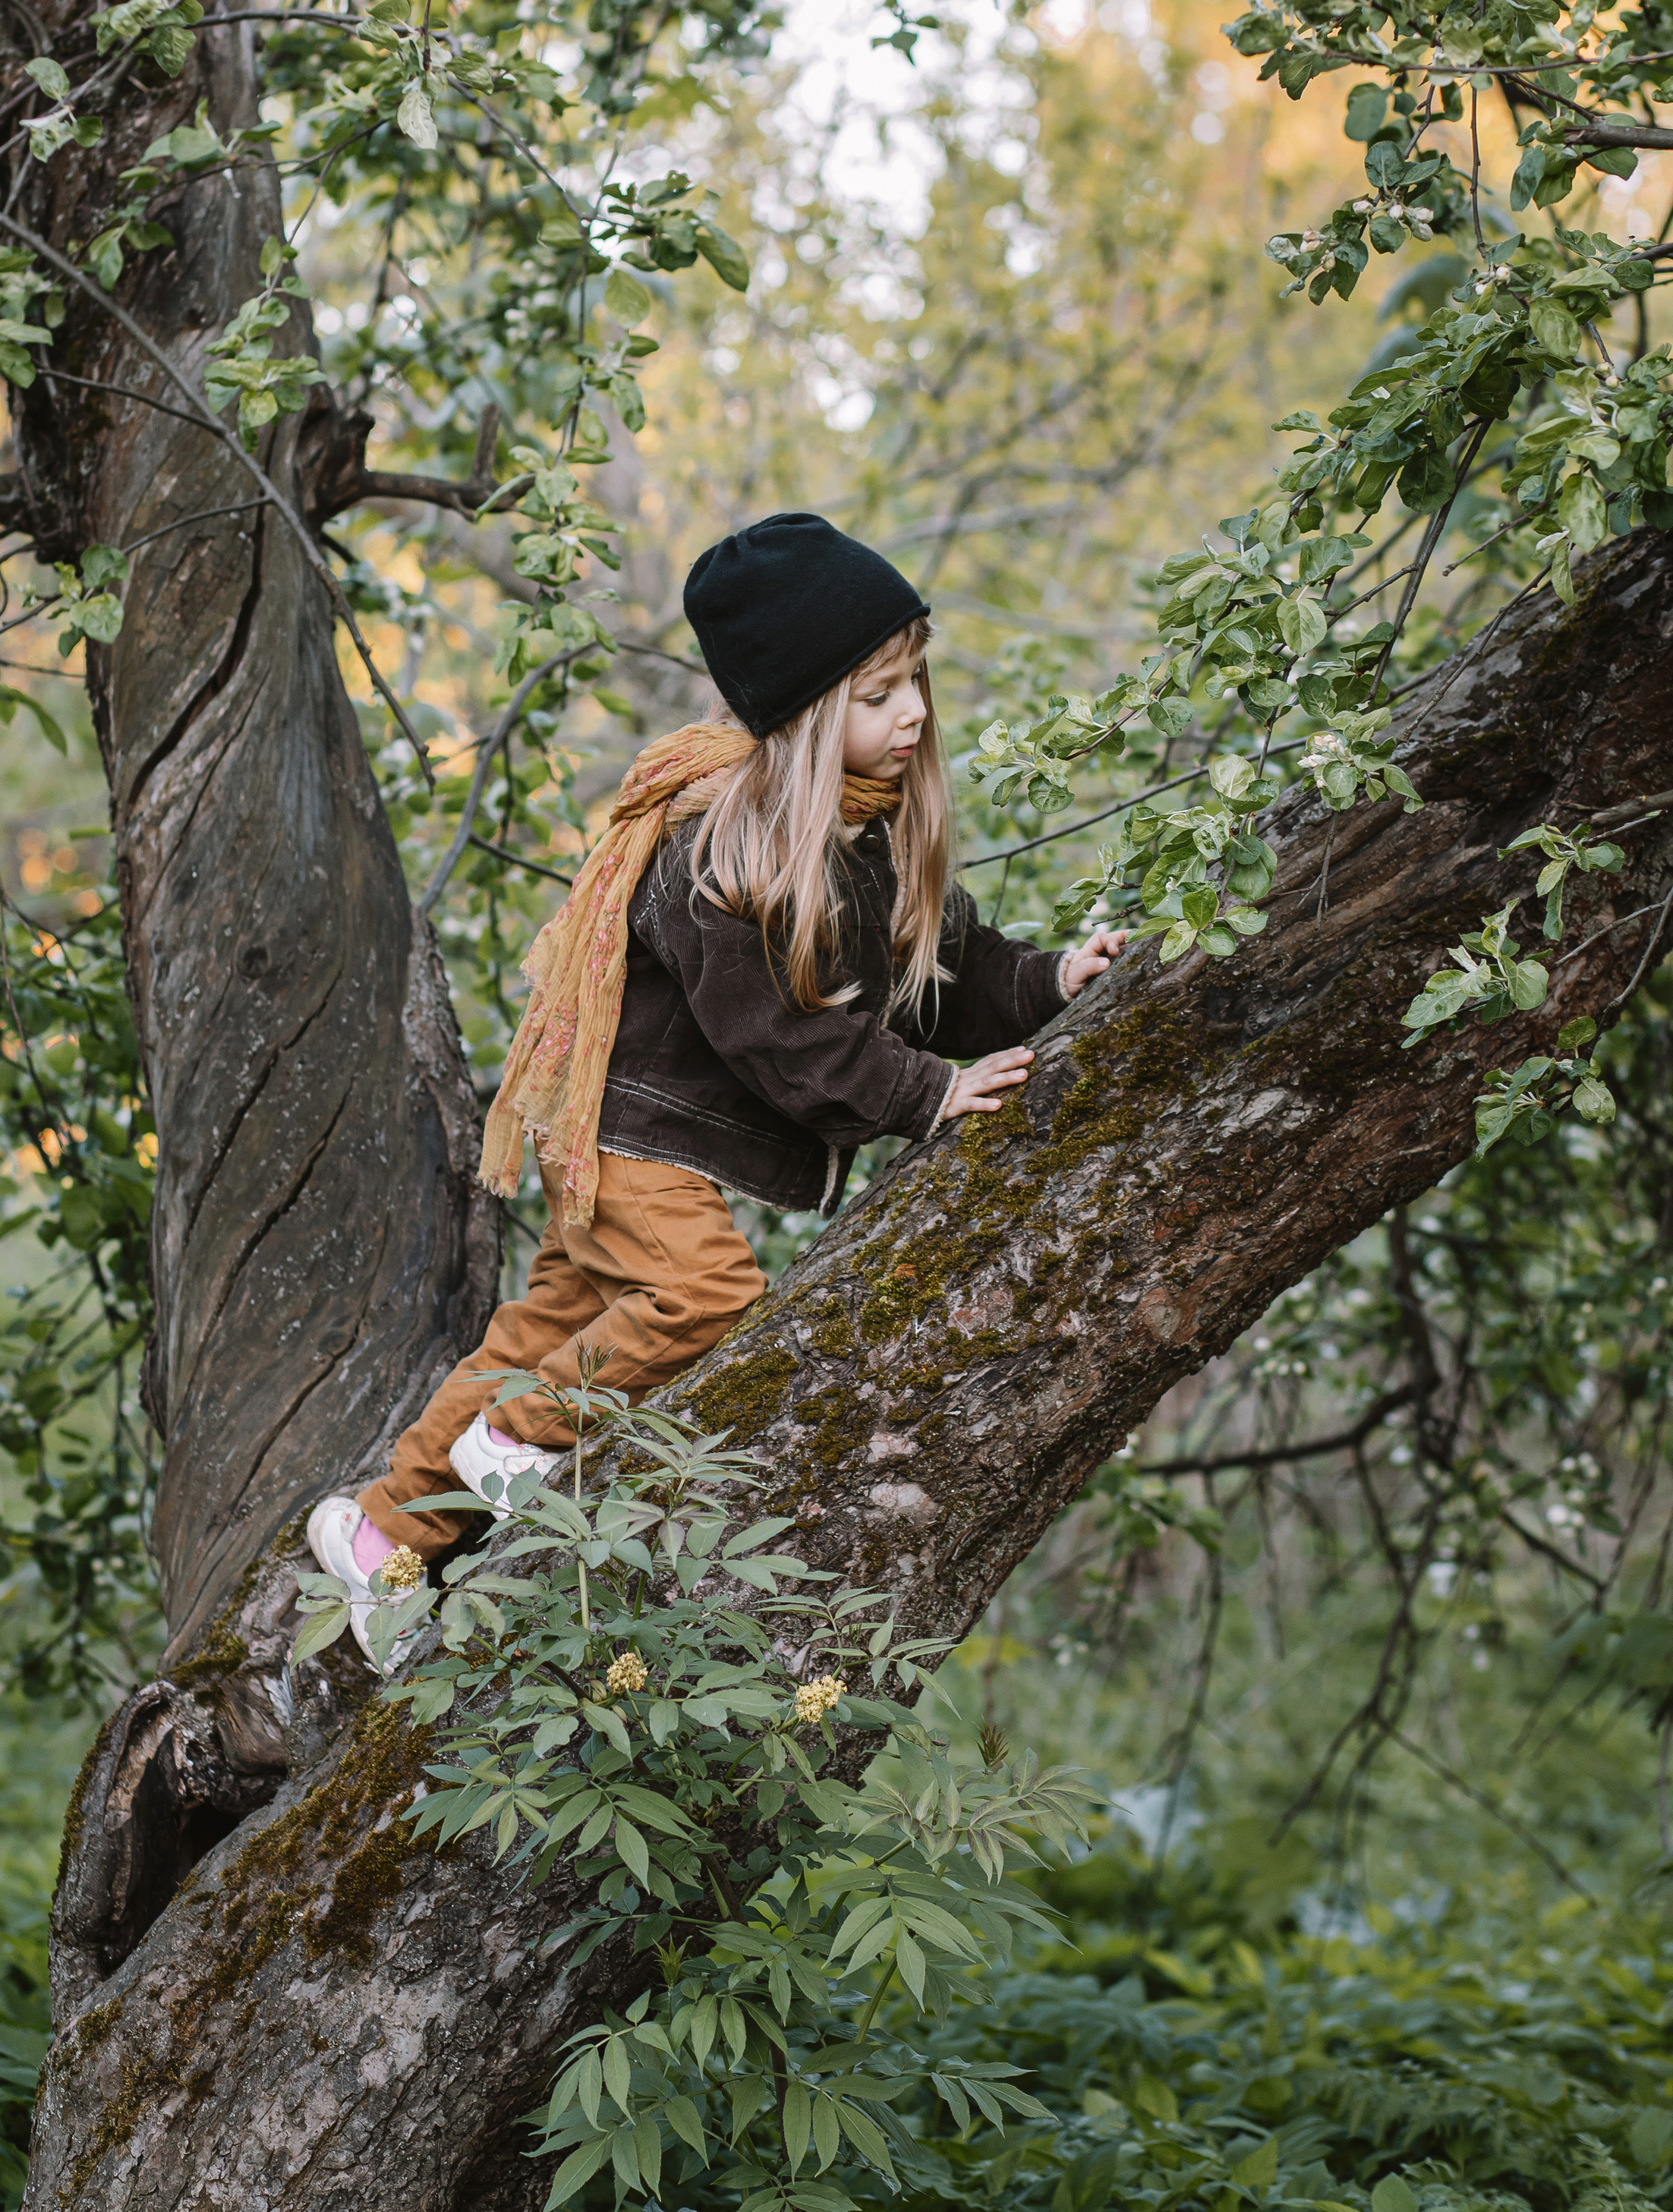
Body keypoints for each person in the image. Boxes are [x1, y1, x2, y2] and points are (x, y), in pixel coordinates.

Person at [307, 512, 1124, 1653]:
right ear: (804, 709)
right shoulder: (717, 850)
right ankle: (519, 1441)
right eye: (881, 693)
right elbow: (782, 1044)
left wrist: (1050, 980)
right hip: (628, 1137)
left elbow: (934, 977)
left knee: (544, 1326)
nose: (917, 714)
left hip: (644, 1133)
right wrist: (925, 1098)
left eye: (916, 681)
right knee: (706, 1297)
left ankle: (385, 1539)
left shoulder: (864, 831)